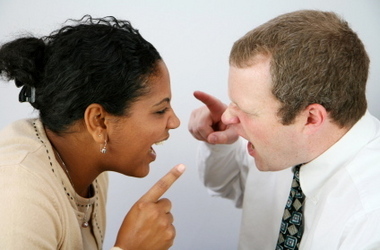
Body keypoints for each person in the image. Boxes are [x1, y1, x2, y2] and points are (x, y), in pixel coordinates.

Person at [188, 10, 380, 249]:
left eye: (246, 109)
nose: (227, 116)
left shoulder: (370, 219)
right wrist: (218, 143)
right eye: (232, 103)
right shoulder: (281, 145)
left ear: (310, 119)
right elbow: (229, 185)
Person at [0, 15, 186, 250]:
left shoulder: (89, 163)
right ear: (99, 122)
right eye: (160, 110)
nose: (175, 122)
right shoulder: (18, 195)